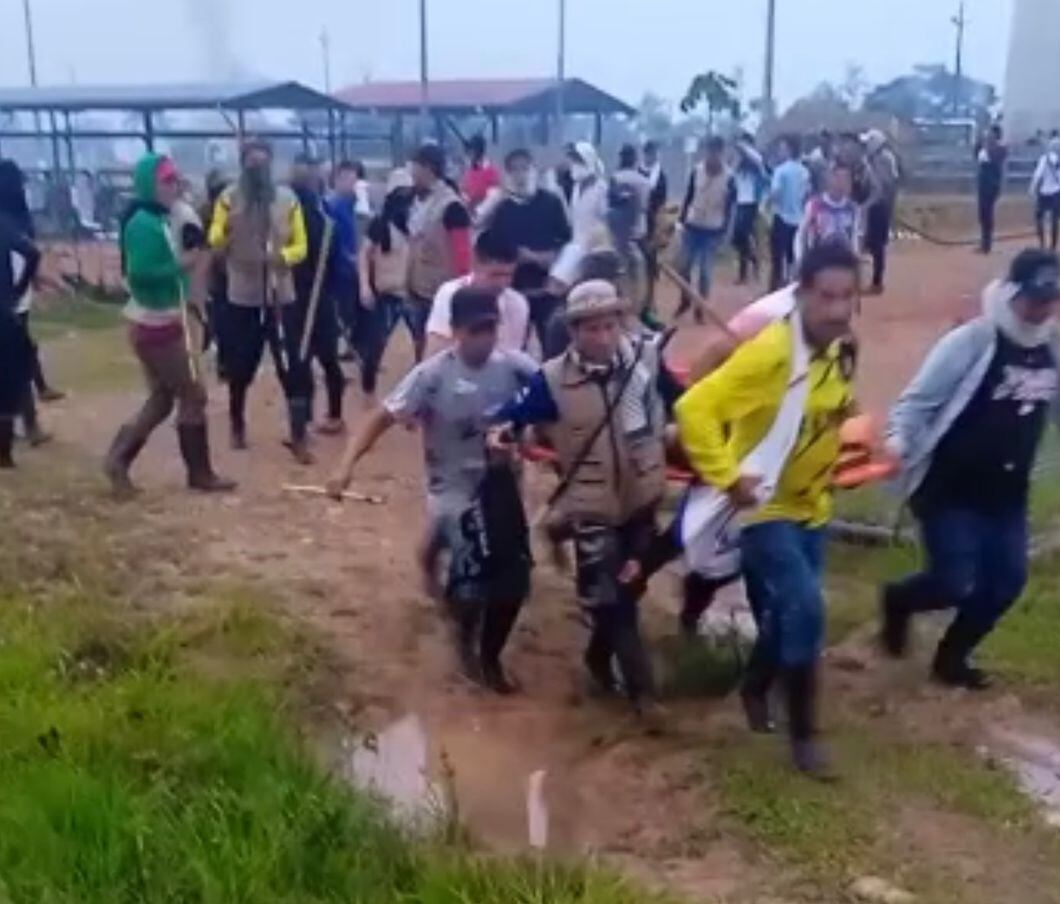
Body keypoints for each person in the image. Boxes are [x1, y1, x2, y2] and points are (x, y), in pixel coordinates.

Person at [675, 242, 860, 777]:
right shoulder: (771, 353)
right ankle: (805, 737)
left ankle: (755, 685)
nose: (837, 309)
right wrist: (727, 478)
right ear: (801, 295)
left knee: (784, 618)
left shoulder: (841, 348)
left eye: (847, 297)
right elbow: (694, 408)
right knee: (807, 606)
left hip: (813, 507)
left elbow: (830, 408)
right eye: (826, 297)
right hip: (764, 507)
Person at [328, 288, 537, 693]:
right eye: (476, 330)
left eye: (491, 328)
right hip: (452, 488)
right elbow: (380, 418)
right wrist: (345, 466)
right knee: (471, 577)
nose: (485, 338)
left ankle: (491, 654)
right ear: (456, 331)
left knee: (514, 578)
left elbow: (557, 399)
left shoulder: (516, 368)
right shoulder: (432, 376)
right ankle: (466, 645)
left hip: (503, 487)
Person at [491, 280, 669, 722]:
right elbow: (512, 416)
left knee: (630, 588)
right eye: (591, 329)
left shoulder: (646, 361)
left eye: (609, 326)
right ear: (573, 331)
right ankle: (644, 695)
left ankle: (597, 658)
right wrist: (502, 434)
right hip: (591, 507)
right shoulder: (551, 380)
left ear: (620, 322)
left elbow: (683, 403)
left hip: (643, 499)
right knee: (613, 599)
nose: (603, 338)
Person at [881, 249, 1059, 690]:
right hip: (950, 488)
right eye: (1036, 299)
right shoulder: (974, 341)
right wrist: (898, 442)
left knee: (1007, 582)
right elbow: (917, 402)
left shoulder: (1052, 349)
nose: (1042, 309)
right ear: (1013, 292)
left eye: (1051, 300)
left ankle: (952, 659)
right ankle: (899, 600)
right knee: (954, 581)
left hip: (1007, 492)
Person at [103, 154, 235, 495]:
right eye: (166, 181)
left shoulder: (159, 218)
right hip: (156, 323)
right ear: (149, 185)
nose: (173, 187)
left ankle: (119, 459)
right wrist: (182, 265)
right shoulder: (143, 224)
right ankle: (199, 473)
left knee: (163, 398)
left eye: (175, 180)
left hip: (160, 317)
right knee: (192, 394)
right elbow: (139, 274)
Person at [208, 140, 309, 460]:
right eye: (252, 163)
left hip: (280, 293)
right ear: (243, 165)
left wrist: (283, 256)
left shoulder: (287, 199)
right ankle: (237, 423)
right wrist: (228, 230)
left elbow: (301, 245)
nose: (258, 169)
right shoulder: (228, 199)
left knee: (290, 364)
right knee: (241, 364)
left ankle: (299, 434)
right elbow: (214, 238)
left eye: (263, 163)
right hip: (243, 295)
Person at [479, 148, 571, 352]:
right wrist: (516, 257)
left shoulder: (551, 203)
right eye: (515, 170)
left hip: (549, 290)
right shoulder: (502, 209)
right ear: (508, 174)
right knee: (512, 349)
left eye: (525, 168)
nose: (521, 175)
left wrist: (545, 258)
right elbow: (494, 246)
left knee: (554, 347)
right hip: (514, 290)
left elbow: (566, 241)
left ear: (534, 170)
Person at [290, 156, 347, 439]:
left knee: (302, 359)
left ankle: (306, 421)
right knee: (326, 358)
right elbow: (337, 266)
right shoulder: (325, 219)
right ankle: (330, 415)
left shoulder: (300, 219)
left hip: (298, 296)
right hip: (318, 296)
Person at [0, 159, 55, 449]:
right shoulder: (11, 218)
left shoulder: (13, 216)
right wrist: (22, 286)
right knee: (17, 361)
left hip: (13, 298)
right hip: (11, 301)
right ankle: (28, 426)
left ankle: (26, 422)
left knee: (19, 357)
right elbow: (30, 253)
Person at [407, 144, 473, 364]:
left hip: (441, 294)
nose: (411, 173)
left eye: (415, 167)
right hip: (418, 290)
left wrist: (461, 292)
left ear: (428, 168)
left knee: (440, 354)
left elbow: (463, 255)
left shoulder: (452, 207)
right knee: (421, 352)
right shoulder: (418, 202)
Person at [359, 171, 414, 406]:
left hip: (414, 294)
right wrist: (365, 286)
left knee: (424, 344)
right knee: (375, 346)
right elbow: (364, 254)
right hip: (387, 295)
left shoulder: (418, 223)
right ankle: (368, 392)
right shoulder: (379, 225)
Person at [426, 230, 529, 355]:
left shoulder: (517, 304)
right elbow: (434, 353)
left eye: (508, 275)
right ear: (474, 264)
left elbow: (512, 357)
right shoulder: (450, 294)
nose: (502, 283)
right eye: (495, 275)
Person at [0, 184, 40, 469]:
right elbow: (32, 253)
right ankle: (3, 452)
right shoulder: (3, 221)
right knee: (7, 379)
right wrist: (18, 289)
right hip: (4, 309)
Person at [679, 136, 736, 318]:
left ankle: (700, 307)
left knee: (705, 272)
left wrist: (726, 232)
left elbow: (730, 208)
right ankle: (685, 299)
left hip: (712, 229)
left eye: (716, 152)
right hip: (692, 224)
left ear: (722, 153)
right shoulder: (696, 171)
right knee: (684, 267)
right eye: (710, 152)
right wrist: (681, 219)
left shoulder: (730, 178)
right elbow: (688, 196)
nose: (712, 156)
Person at [550, 143, 610, 295]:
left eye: (578, 161)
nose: (574, 165)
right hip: (575, 245)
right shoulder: (576, 188)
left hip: (593, 250)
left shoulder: (602, 189)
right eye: (573, 161)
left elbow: (606, 223)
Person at [327, 160, 362, 348]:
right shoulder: (330, 206)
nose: (351, 183)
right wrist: (349, 259)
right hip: (339, 268)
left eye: (354, 179)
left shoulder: (357, 205)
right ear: (336, 180)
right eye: (346, 179)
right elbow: (333, 241)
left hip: (355, 267)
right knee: (341, 309)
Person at [768, 135, 811, 291]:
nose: (780, 152)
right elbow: (807, 194)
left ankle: (775, 288)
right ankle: (793, 286)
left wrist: (768, 204)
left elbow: (775, 192)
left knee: (777, 257)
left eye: (782, 148)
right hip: (798, 219)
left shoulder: (780, 170)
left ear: (789, 150)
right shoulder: (805, 172)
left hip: (781, 217)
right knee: (793, 255)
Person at [796, 162, 860, 261]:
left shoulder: (852, 208)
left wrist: (855, 257)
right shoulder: (814, 205)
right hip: (819, 261)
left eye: (847, 179)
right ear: (830, 179)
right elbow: (801, 234)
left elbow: (854, 236)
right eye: (838, 178)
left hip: (842, 262)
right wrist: (800, 259)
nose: (842, 183)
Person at [862, 129, 900, 295]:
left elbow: (885, 184)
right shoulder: (872, 159)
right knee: (872, 243)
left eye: (868, 143)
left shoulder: (884, 159)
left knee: (877, 245)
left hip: (880, 205)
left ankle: (877, 282)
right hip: (874, 203)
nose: (866, 146)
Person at [732, 135, 768, 284]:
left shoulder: (757, 163)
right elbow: (732, 177)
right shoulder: (739, 164)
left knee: (742, 234)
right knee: (738, 238)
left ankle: (745, 271)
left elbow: (756, 159)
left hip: (751, 203)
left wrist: (742, 146)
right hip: (740, 203)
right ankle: (752, 260)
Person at [639, 140, 669, 309]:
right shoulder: (637, 172)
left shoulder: (661, 176)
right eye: (649, 153)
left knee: (650, 264)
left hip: (652, 225)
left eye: (654, 153)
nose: (651, 156)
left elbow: (662, 203)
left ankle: (650, 300)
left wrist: (659, 229)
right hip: (637, 225)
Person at [976, 125, 1008, 255]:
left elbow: (992, 159)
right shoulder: (986, 147)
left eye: (991, 134)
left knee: (987, 214)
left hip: (991, 184)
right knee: (983, 214)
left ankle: (987, 244)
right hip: (983, 183)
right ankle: (984, 243)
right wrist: (982, 141)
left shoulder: (1000, 149)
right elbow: (976, 153)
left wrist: (988, 143)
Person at [1030, 137, 1060, 252]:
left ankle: (1042, 244)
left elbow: (1038, 175)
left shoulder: (1044, 159)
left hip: (1044, 191)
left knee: (1039, 217)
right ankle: (1053, 246)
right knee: (1054, 220)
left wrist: (1032, 189)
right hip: (1056, 191)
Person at [461, 134, 501, 212]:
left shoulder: (492, 171)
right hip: (470, 211)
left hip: (486, 213)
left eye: (472, 151)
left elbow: (493, 198)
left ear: (479, 151)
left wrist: (478, 211)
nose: (469, 154)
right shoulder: (468, 171)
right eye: (468, 151)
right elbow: (464, 190)